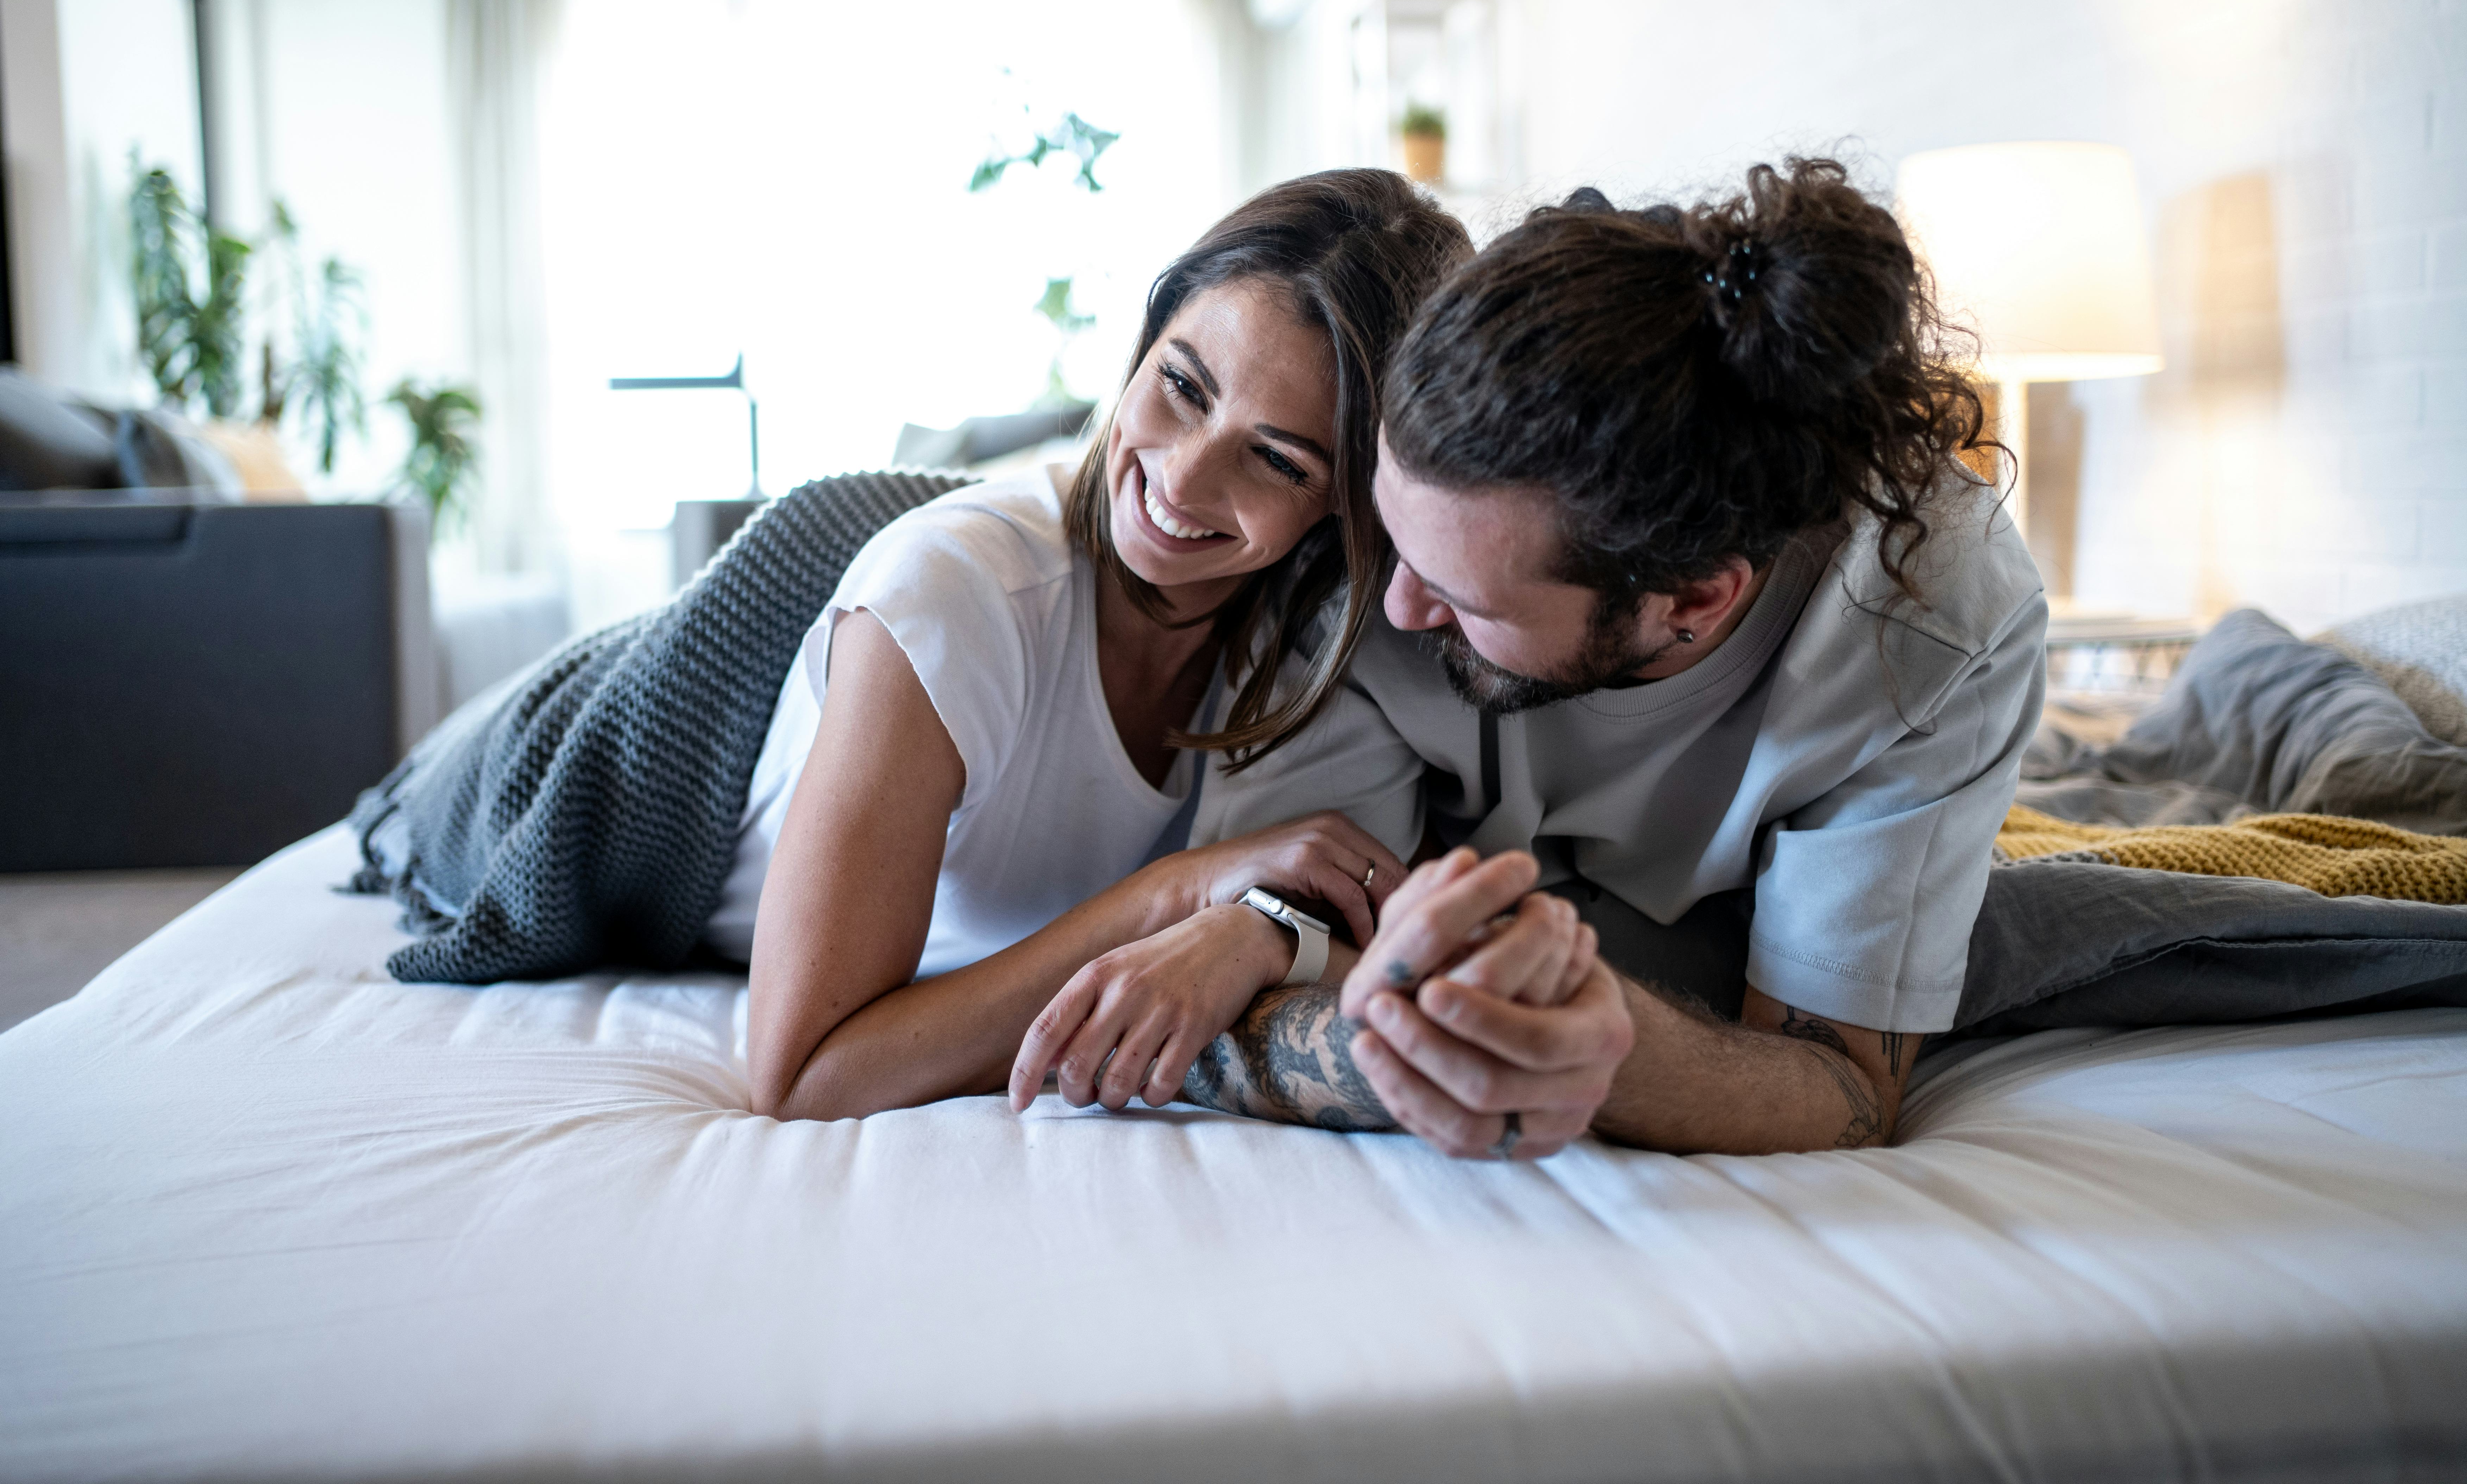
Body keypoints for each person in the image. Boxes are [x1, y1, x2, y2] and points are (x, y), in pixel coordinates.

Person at [1142, 157, 2048, 1159]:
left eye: (1463, 598)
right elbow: (1232, 970)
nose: (1395, 606)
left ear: (1695, 599)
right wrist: (1376, 1009)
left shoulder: (1933, 626)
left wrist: (1603, 1050)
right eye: (1395, 539)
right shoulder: (1362, 541)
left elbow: (1845, 1084)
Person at [716, 170, 1480, 1123]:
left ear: (1350, 503)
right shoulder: (955, 600)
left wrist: (1261, 933)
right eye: (1182, 386)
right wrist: (1172, 896)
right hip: (635, 832)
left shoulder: (1325, 649)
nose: (1184, 478)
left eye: (1278, 458)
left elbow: (1344, 930)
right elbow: (804, 1077)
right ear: (1146, 342)